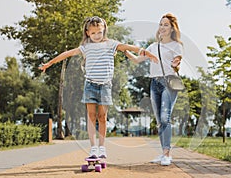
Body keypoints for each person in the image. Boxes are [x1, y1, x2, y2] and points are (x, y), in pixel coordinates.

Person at [39, 16, 157, 159]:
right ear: (88, 33)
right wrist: (49, 63)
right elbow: (67, 54)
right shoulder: (85, 47)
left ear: (104, 30)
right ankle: (93, 148)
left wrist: (146, 53)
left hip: (105, 86)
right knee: (91, 116)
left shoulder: (111, 44)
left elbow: (130, 47)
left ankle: (102, 147)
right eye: (93, 33)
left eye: (99, 32)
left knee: (102, 117)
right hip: (90, 85)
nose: (97, 35)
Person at [125, 13, 183, 165]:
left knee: (165, 117)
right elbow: (137, 60)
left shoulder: (176, 45)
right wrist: (124, 50)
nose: (162, 27)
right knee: (159, 120)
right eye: (161, 24)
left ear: (172, 29)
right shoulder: (153, 46)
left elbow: (177, 63)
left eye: (166, 25)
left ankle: (167, 154)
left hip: (169, 82)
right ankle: (163, 153)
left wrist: (176, 64)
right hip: (154, 83)